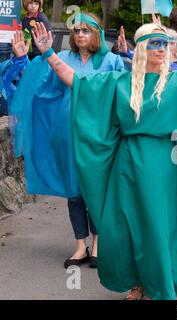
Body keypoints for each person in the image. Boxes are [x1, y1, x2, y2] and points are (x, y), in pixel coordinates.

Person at [30, 21, 177, 300]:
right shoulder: (120, 82)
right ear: (142, 49)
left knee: (158, 227)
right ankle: (138, 281)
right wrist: (49, 53)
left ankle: (158, 284)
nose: (161, 50)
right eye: (154, 44)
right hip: (128, 166)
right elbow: (78, 81)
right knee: (128, 227)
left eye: (165, 44)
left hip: (165, 166)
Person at [9, 13, 124, 269]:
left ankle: (99, 242)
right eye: (77, 30)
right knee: (74, 193)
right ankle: (80, 245)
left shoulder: (111, 60)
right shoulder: (61, 58)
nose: (80, 34)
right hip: (67, 135)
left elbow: (124, 94)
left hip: (98, 137)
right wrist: (21, 58)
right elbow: (36, 85)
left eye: (86, 30)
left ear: (97, 33)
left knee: (96, 189)